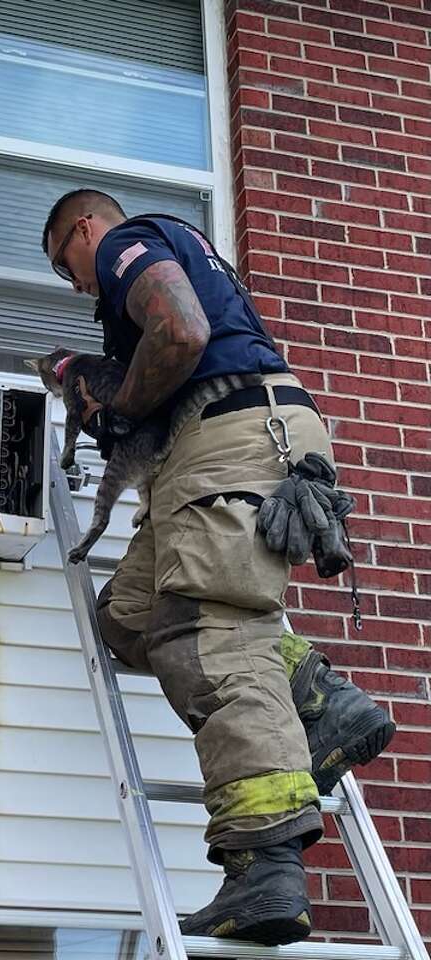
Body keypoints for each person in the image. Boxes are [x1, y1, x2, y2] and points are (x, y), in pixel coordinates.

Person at [41, 189, 396, 946]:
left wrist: (120, 411)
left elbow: (180, 329)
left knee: (208, 635)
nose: (74, 284)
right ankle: (318, 697)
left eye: (64, 264)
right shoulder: (179, 251)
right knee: (129, 617)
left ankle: (263, 862)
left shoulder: (123, 244)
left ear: (84, 229)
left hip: (229, 432)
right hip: (239, 431)